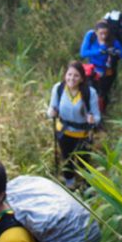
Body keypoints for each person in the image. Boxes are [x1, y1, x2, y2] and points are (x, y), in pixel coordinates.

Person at [47, 61, 101, 189]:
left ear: (82, 78)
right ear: (65, 75)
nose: (72, 78)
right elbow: (51, 109)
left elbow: (97, 116)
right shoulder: (58, 88)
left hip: (83, 134)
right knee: (67, 159)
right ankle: (69, 184)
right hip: (63, 132)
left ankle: (85, 185)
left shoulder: (89, 92)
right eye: (69, 74)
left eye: (76, 75)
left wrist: (93, 120)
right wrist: (51, 112)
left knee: (84, 160)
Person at [79, 20, 122, 111]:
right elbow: (83, 53)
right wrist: (99, 51)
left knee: (103, 94)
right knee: (91, 93)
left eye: (105, 33)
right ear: (96, 32)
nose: (103, 36)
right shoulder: (91, 36)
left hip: (107, 72)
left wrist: (116, 51)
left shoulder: (112, 40)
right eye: (101, 33)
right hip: (93, 71)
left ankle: (101, 113)